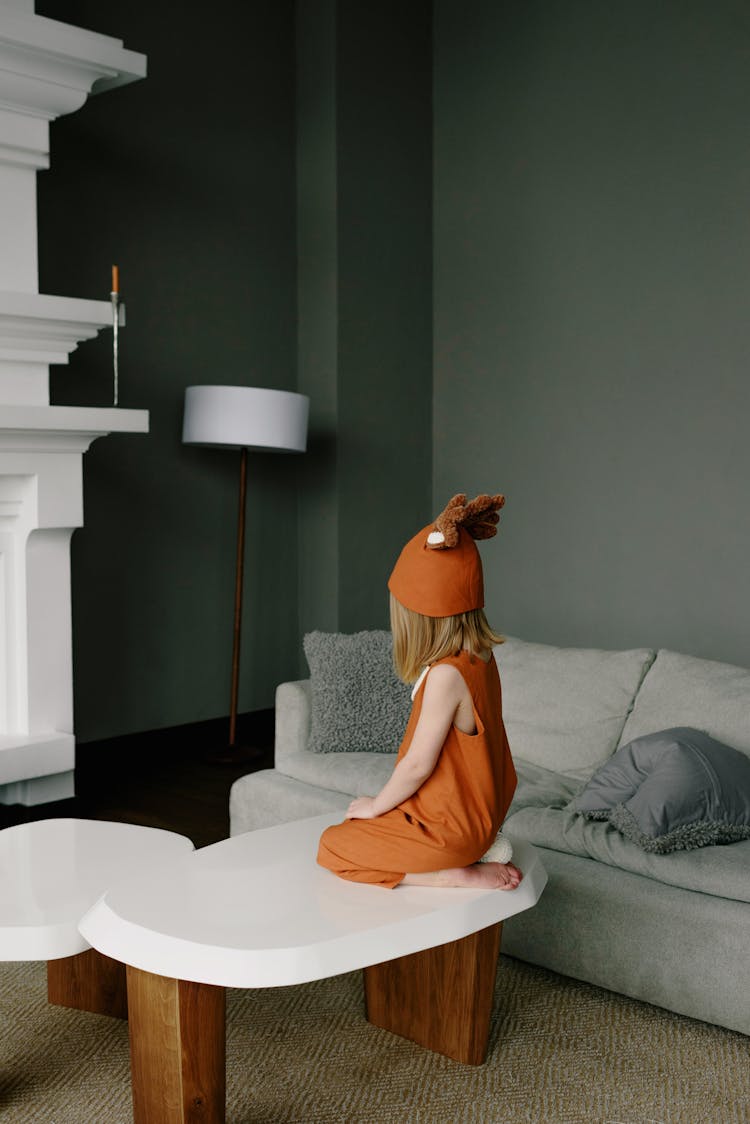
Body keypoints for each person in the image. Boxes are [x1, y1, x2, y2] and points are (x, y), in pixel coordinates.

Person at [317, 493, 522, 891]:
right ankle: (464, 852)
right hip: (478, 815)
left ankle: (449, 874)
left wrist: (378, 805)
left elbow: (417, 765)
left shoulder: (447, 675)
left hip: (451, 829)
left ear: (423, 617)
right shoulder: (480, 657)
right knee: (360, 826)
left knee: (332, 846)